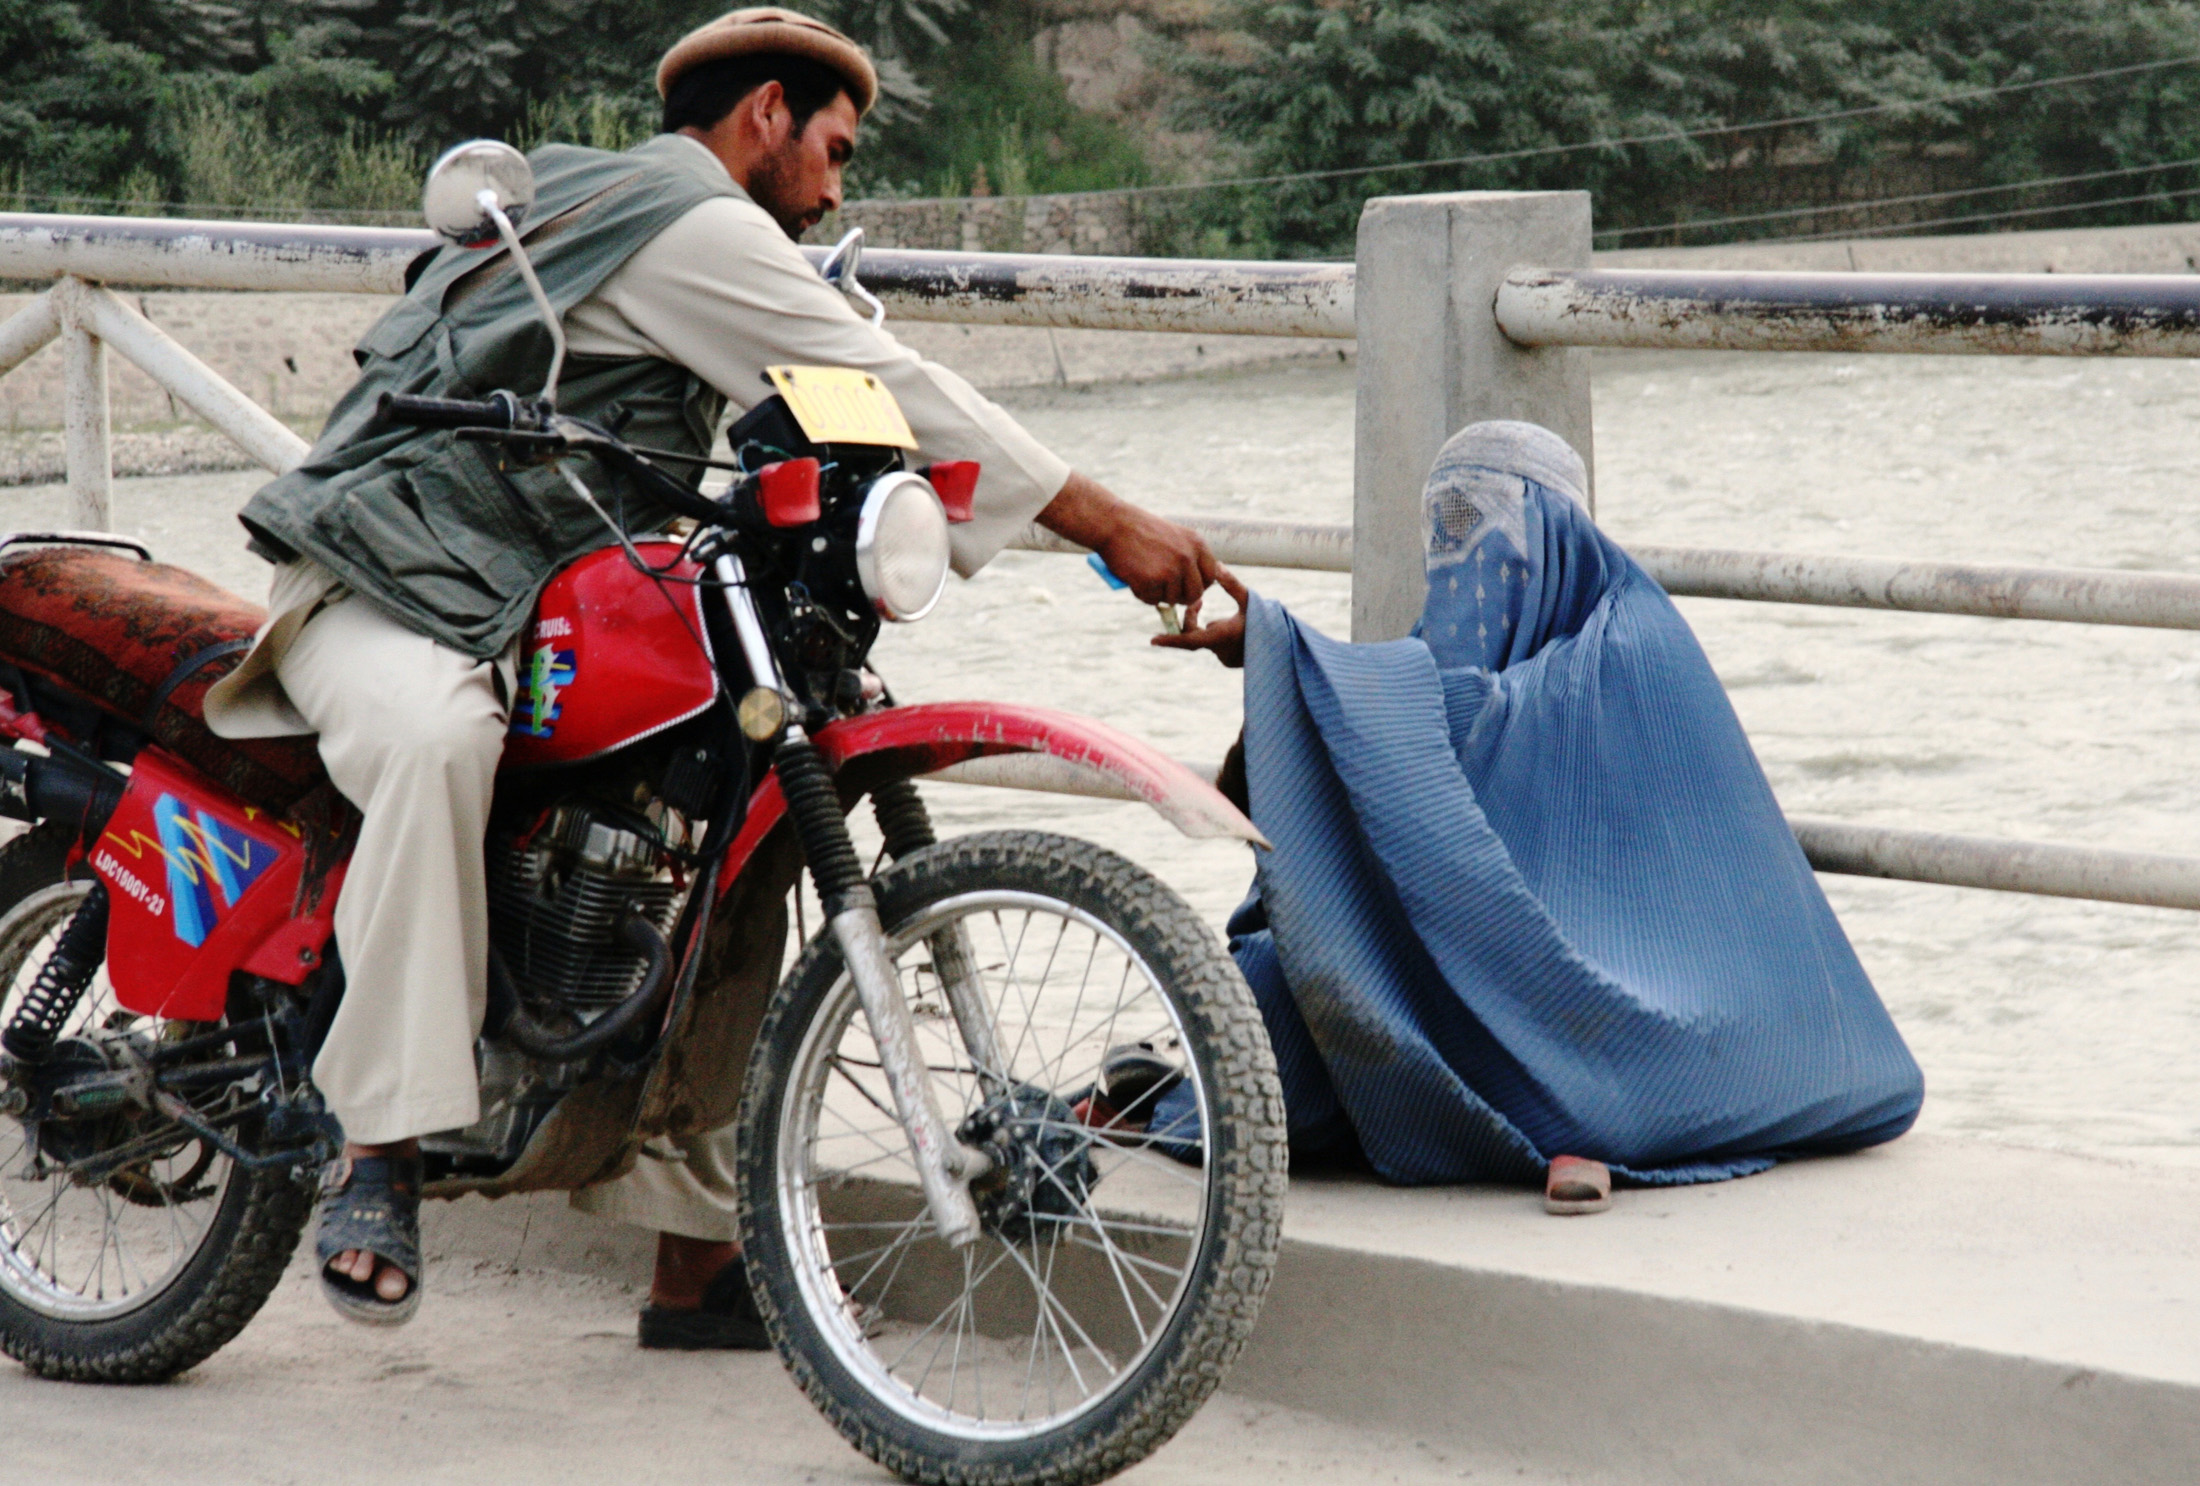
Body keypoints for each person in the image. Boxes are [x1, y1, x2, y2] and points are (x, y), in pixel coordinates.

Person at [204, 6, 1226, 1340]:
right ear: (764, 119)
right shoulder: (683, 223)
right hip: (386, 580)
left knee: (716, 812)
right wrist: (1110, 523)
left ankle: (696, 1254)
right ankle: (378, 1151)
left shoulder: (651, 221)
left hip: (529, 589)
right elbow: (887, 378)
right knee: (437, 736)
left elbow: (834, 407)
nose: (838, 186)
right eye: (835, 152)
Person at [1159, 421, 1923, 1207]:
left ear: (1558, 531)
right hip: (1477, 984)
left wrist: (1287, 649)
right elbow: (1364, 777)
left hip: (1638, 993)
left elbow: (1464, 717)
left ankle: (1583, 1123)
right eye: (1441, 528)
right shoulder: (1437, 653)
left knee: (1612, 1068)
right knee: (1281, 1001)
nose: (1457, 554)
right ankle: (1564, 1119)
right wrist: (1280, 666)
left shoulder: (1633, 643)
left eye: (1476, 522)